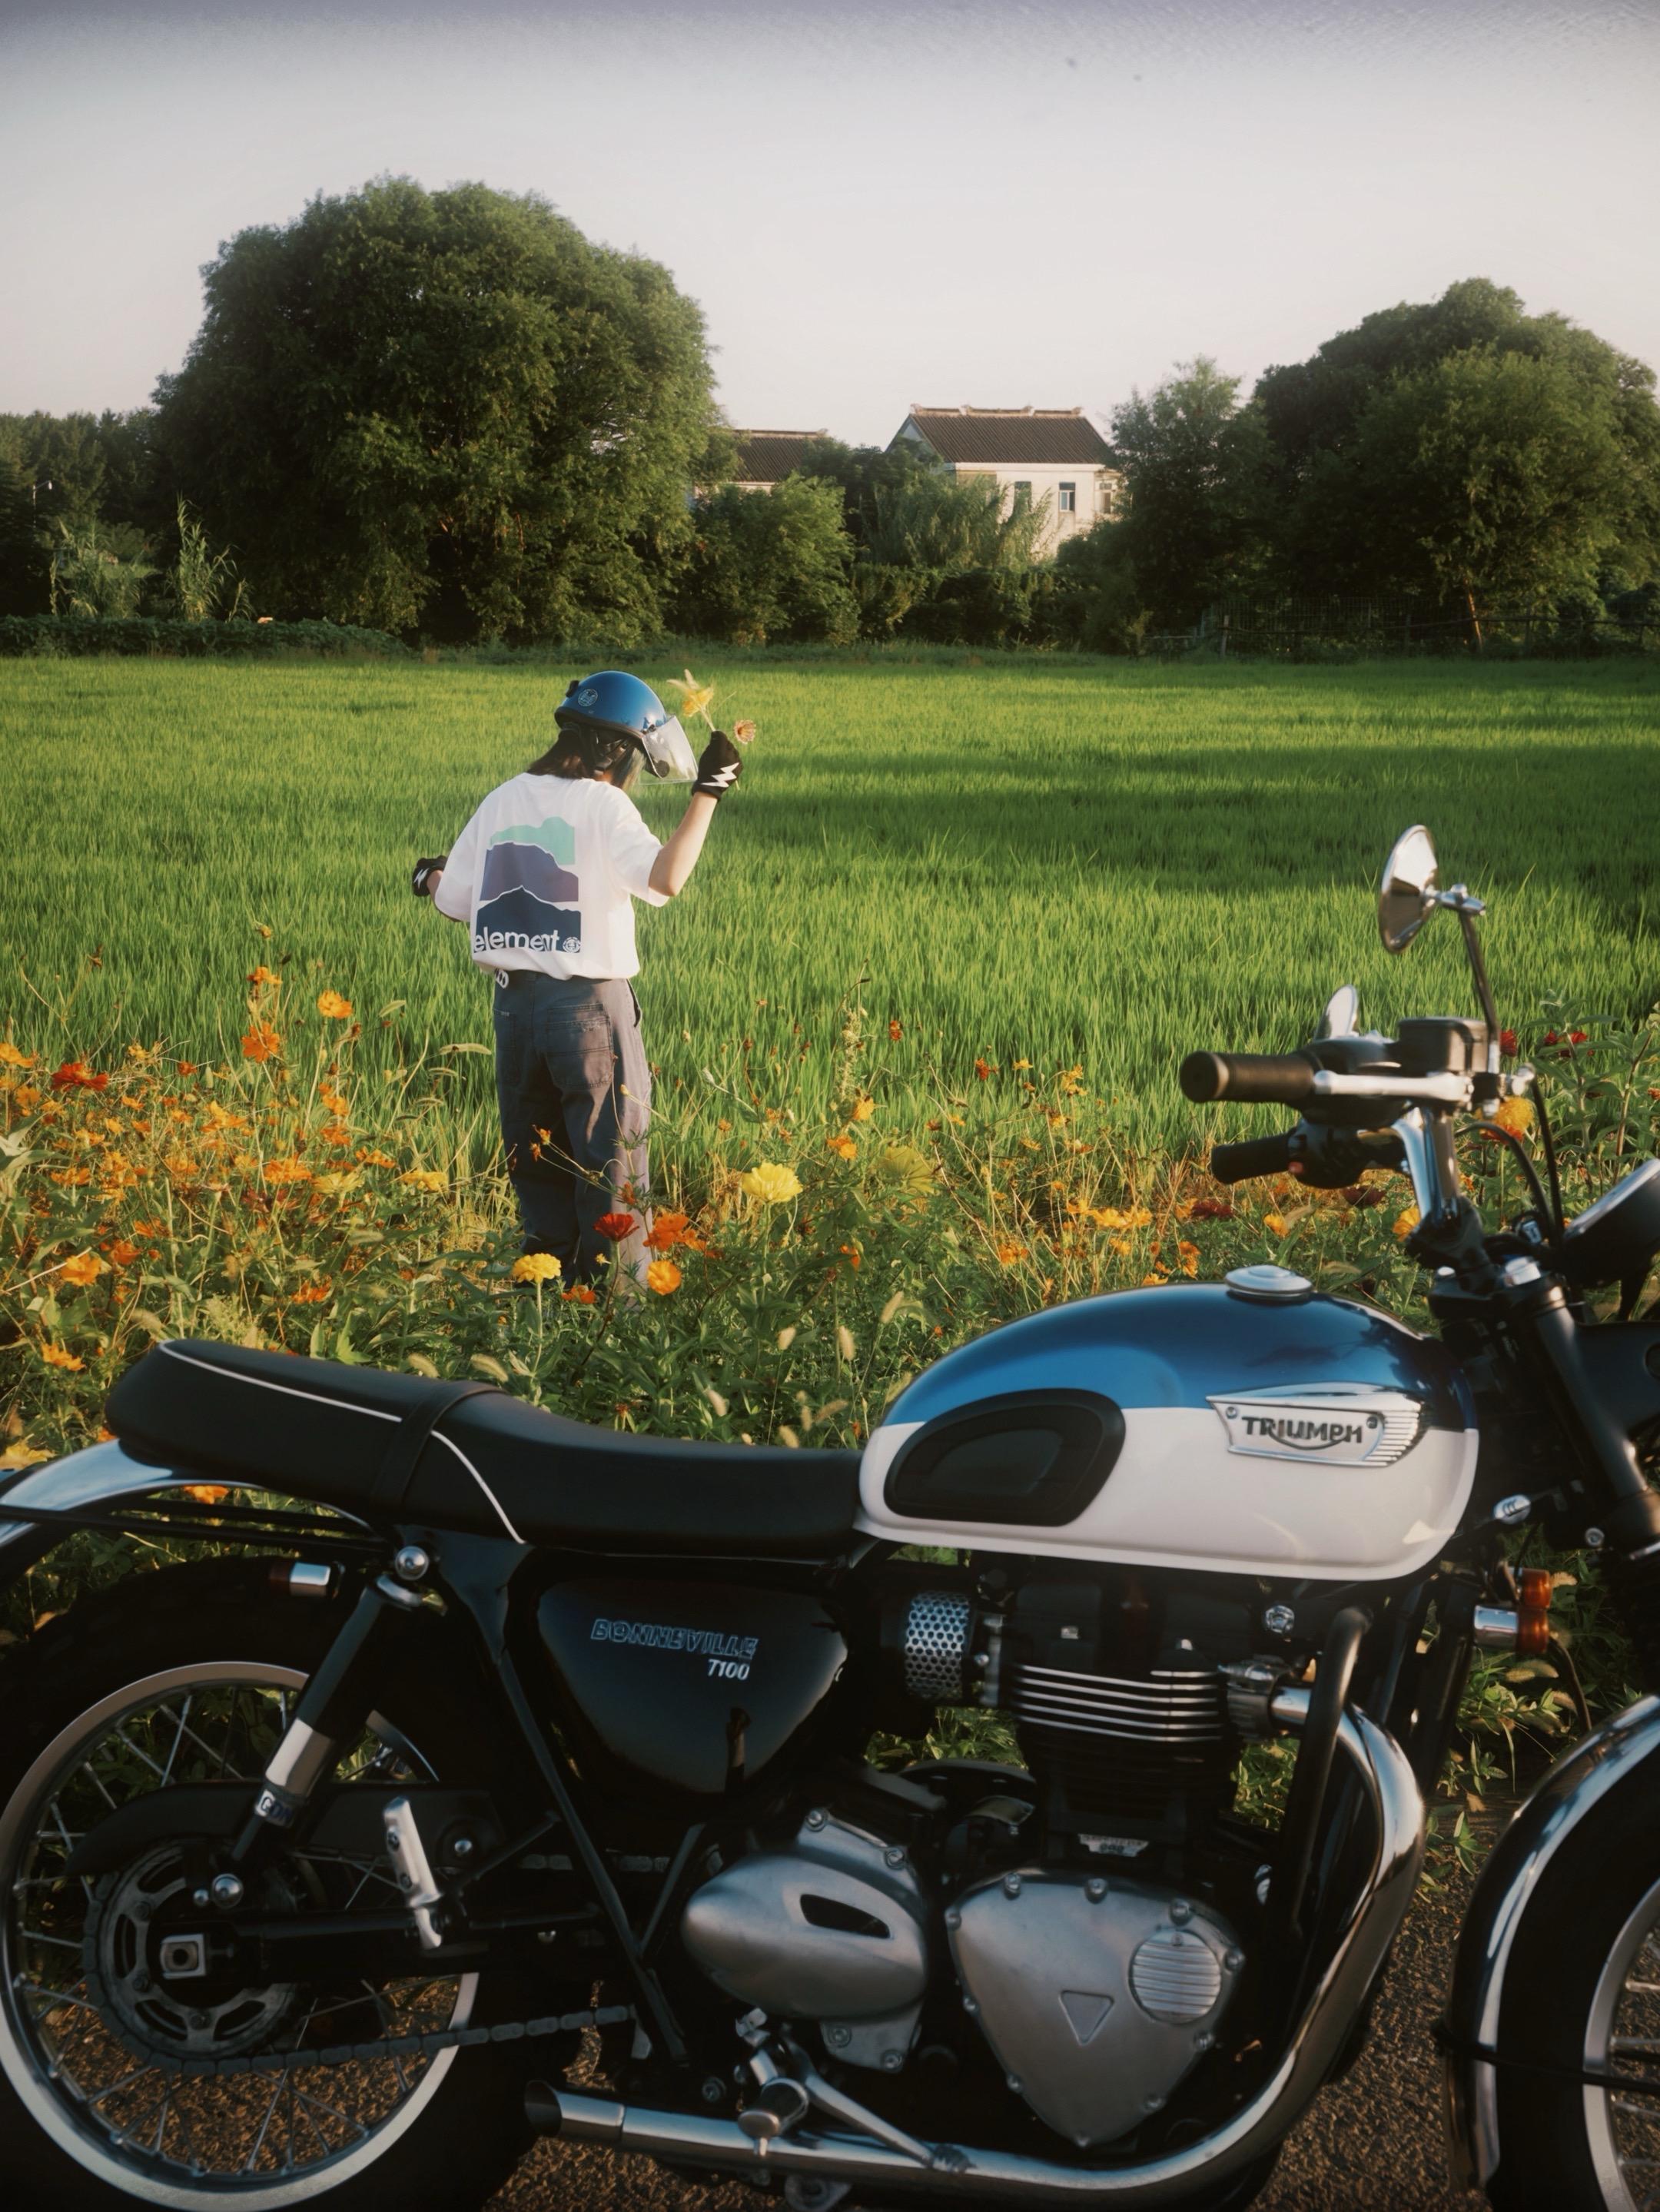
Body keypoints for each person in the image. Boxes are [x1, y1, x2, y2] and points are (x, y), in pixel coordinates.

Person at [412, 670, 742, 1283]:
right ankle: (614, 1324)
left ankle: (543, 1317)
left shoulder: (503, 797)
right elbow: (665, 879)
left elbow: (453, 899)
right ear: (612, 749)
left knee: (538, 1173)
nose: (634, 776)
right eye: (635, 760)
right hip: (589, 1013)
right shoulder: (603, 804)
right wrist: (709, 793)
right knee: (611, 1178)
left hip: (514, 1015)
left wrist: (428, 875)